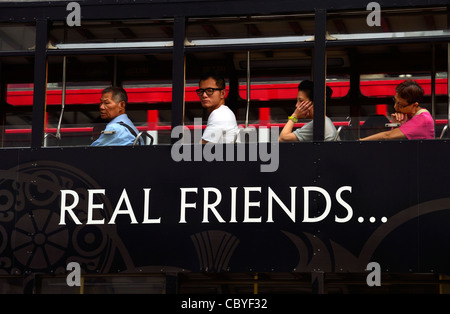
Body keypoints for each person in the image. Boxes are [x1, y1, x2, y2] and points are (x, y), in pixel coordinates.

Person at [360, 79, 435, 141]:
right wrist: (396, 125)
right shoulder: (409, 117)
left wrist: (361, 141)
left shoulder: (423, 119)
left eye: (400, 105)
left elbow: (388, 136)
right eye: (395, 101)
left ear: (414, 105)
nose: (395, 107)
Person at [197, 72, 239, 144]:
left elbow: (200, 148)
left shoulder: (220, 114)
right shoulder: (224, 112)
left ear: (222, 93)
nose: (204, 95)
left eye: (210, 91)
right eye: (201, 91)